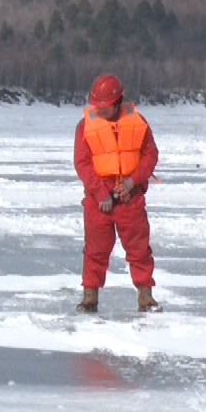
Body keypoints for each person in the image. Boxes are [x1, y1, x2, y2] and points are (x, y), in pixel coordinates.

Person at [74, 73, 159, 313]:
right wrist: (101, 194)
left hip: (130, 198)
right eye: (97, 106)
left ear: (118, 100)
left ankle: (146, 297)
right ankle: (89, 298)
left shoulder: (138, 122)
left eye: (106, 107)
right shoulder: (85, 127)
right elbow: (82, 163)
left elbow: (150, 155)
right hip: (98, 199)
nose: (101, 111)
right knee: (95, 251)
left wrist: (133, 182)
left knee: (139, 250)